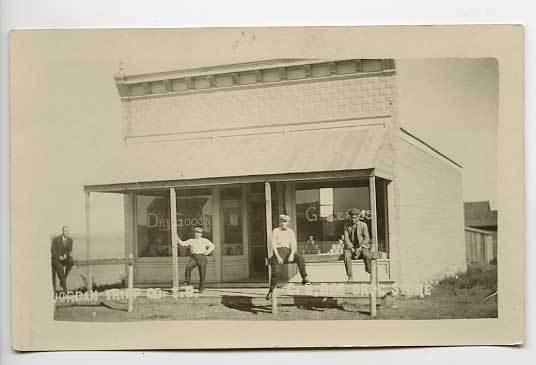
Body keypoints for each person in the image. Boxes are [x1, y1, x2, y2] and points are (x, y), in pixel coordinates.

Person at [266, 214, 311, 300]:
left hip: (288, 251)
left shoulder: (290, 231)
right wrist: (278, 257)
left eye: (284, 221)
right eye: (281, 221)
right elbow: (273, 245)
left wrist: (291, 255)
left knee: (300, 258)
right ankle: (271, 290)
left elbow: (294, 245)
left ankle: (304, 278)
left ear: (288, 223)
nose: (282, 223)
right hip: (278, 251)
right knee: (276, 273)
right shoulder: (276, 230)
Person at [176, 227, 215, 293]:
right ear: (194, 233)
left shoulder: (205, 240)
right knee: (188, 267)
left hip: (202, 257)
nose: (197, 234)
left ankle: (201, 288)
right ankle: (187, 282)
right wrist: (177, 238)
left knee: (202, 274)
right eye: (196, 232)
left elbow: (212, 246)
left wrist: (207, 252)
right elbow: (183, 243)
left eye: (199, 233)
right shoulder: (191, 240)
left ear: (201, 234)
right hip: (194, 257)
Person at [343, 208, 372, 281]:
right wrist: (351, 248)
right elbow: (346, 238)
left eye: (355, 218)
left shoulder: (363, 225)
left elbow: (367, 238)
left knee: (367, 255)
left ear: (358, 217)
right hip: (351, 248)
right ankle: (350, 275)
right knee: (346, 256)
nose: (353, 220)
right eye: (352, 218)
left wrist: (360, 247)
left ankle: (369, 271)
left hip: (361, 247)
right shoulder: (347, 226)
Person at [51, 226, 74, 293]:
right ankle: (65, 290)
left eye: (67, 231)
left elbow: (69, 250)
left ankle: (63, 279)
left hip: (64, 258)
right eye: (65, 231)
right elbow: (53, 250)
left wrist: (65, 255)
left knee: (71, 261)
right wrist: (58, 257)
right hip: (56, 259)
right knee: (60, 270)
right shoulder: (56, 239)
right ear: (62, 231)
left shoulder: (70, 240)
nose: (66, 232)